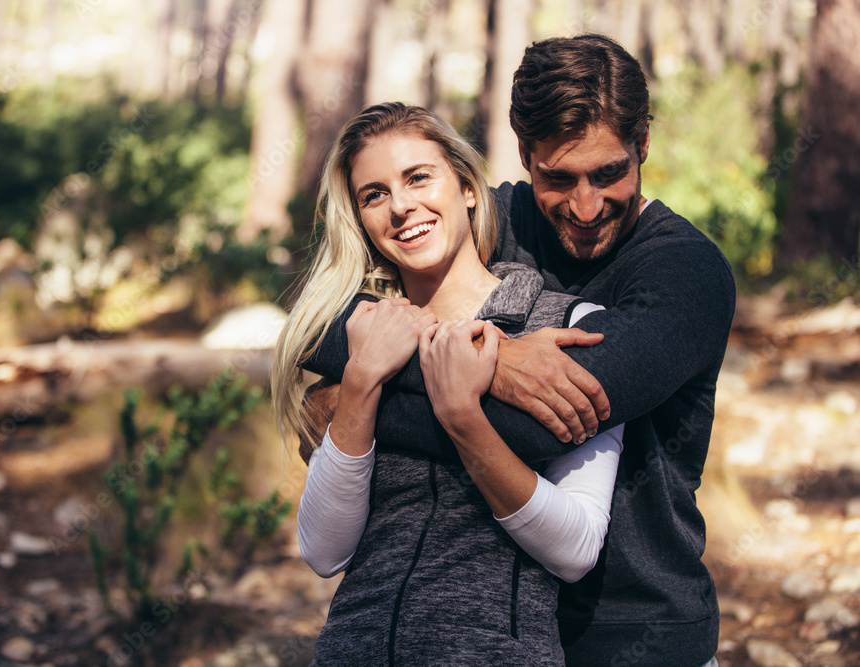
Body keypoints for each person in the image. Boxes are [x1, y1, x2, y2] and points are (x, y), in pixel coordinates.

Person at [301, 35, 736, 666]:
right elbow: (320, 324)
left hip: (638, 632)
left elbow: (540, 428)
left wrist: (357, 401)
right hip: (499, 632)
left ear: (643, 144)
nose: (585, 207)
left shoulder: (685, 273)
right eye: (558, 179)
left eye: (609, 173)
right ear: (524, 153)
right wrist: (478, 357)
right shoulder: (493, 214)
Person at [272, 102, 625, 665]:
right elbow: (323, 550)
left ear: (466, 186)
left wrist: (464, 417)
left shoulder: (569, 324)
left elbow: (577, 548)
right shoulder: (360, 335)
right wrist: (362, 379)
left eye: (418, 177)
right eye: (374, 194)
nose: (401, 206)